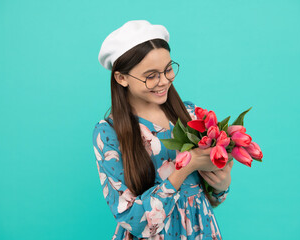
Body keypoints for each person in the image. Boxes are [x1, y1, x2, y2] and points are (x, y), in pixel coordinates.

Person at [93, 20, 233, 240]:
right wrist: (187, 167)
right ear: (121, 78)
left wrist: (222, 185)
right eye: (151, 76)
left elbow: (210, 198)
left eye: (168, 69)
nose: (164, 81)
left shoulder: (190, 114)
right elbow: (133, 221)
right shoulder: (108, 133)